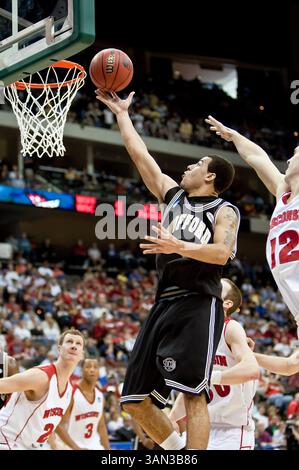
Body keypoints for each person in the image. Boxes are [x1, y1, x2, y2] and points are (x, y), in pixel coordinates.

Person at [96, 90, 240, 450]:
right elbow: (140, 155)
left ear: (210, 176)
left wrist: (180, 247)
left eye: (196, 165)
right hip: (164, 302)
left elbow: (222, 253)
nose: (187, 168)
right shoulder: (173, 197)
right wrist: (122, 114)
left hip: (198, 302)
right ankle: (176, 453)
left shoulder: (224, 210)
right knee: (133, 400)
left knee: (193, 394)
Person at [206, 115, 299, 337]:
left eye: (295, 155)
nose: (288, 160)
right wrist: (235, 136)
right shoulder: (283, 195)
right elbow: (258, 158)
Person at [169, 278, 260, 450]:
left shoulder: (231, 328)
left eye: (216, 287)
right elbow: (193, 387)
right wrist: (172, 418)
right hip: (200, 425)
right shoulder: (196, 333)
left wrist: (209, 379)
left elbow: (251, 369)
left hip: (232, 431)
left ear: (227, 303)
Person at [0, 329, 85, 450]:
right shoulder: (41, 377)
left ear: (82, 354)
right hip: (6, 440)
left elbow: (46, 424)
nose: (73, 346)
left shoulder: (69, 389)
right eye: (69, 341)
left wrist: (55, 445)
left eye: (78, 344)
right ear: (59, 349)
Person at [55, 358, 110, 450]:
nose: (92, 370)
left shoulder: (100, 396)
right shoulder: (72, 393)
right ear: (81, 371)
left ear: (99, 372)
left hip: (94, 446)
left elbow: (101, 426)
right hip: (71, 446)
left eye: (95, 367)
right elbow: (59, 425)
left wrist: (108, 449)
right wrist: (76, 448)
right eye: (88, 367)